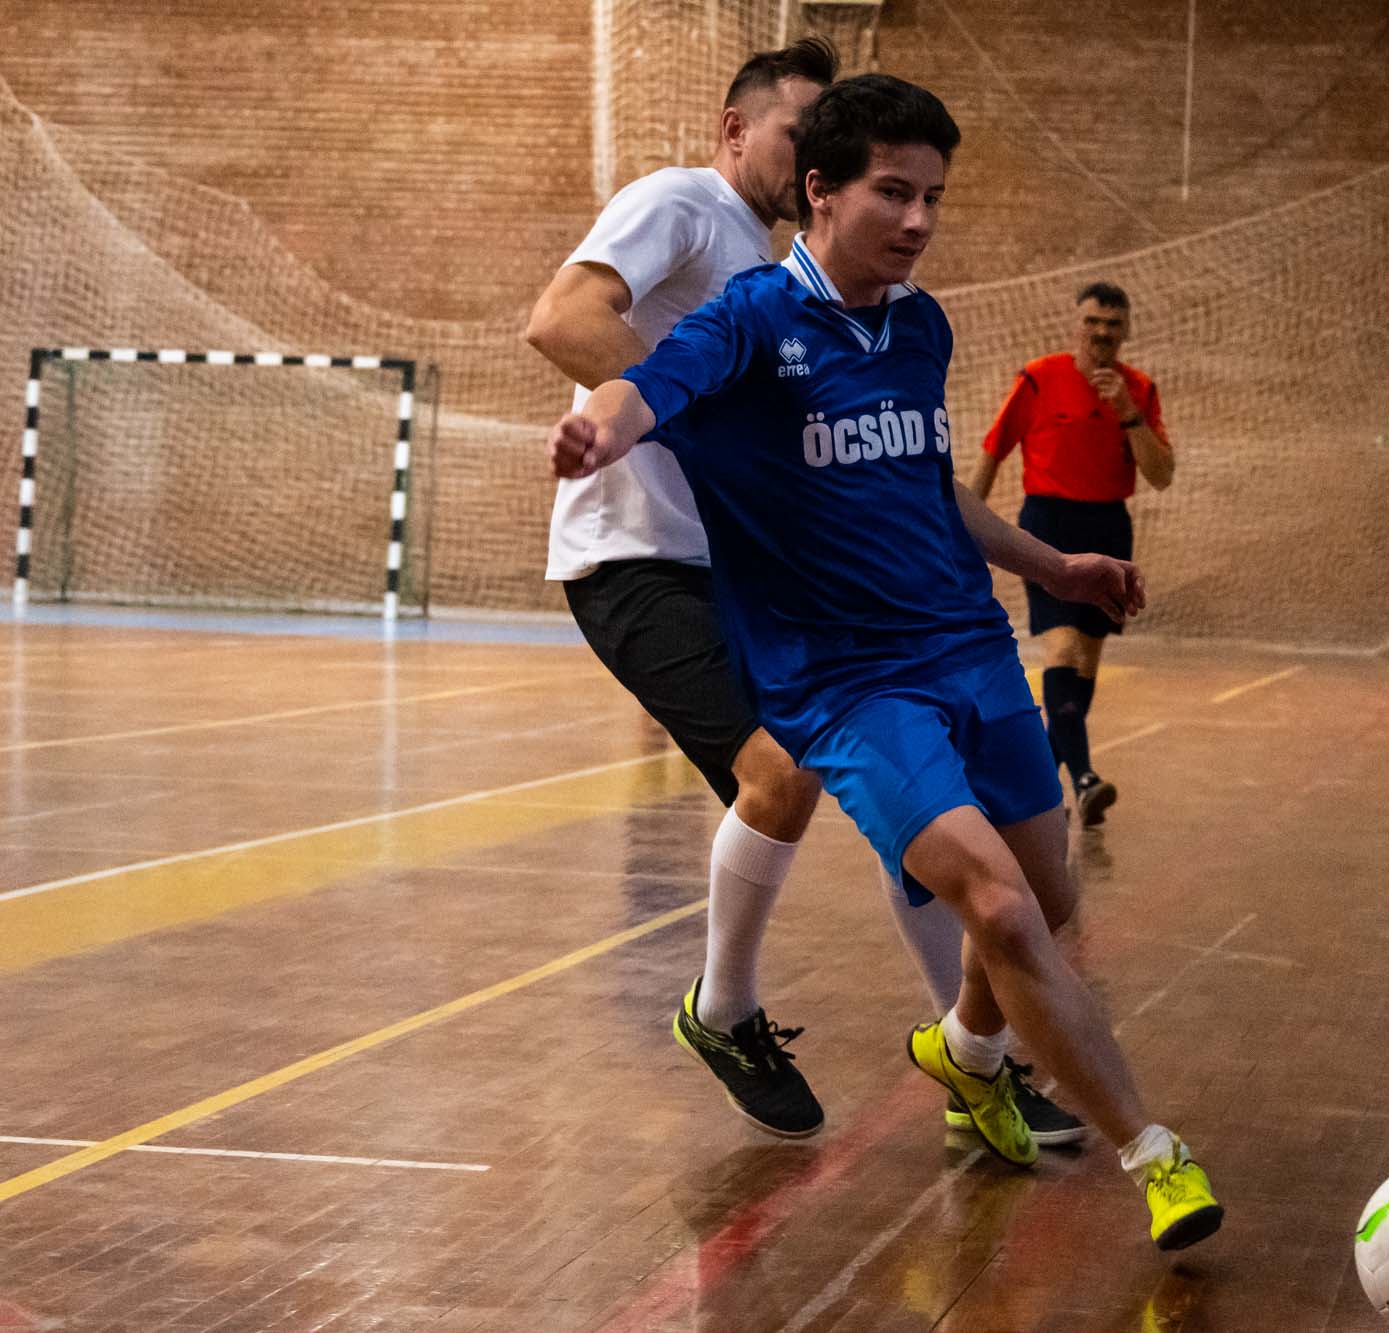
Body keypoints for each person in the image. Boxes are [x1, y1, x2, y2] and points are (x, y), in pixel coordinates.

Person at [545, 73, 1225, 1250]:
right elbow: (647, 387)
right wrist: (598, 430)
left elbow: (925, 487)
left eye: (933, 199)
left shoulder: (921, 326)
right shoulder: (749, 322)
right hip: (844, 683)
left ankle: (964, 1052)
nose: (917, 221)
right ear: (820, 189)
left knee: (1047, 903)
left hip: (966, 643)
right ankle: (1152, 1151)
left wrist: (1055, 566)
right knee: (998, 906)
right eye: (892, 193)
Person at [523, 38, 1081, 1149]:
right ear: (737, 131)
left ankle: (976, 1060)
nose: (813, 149)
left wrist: (1050, 566)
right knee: (783, 766)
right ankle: (724, 1008)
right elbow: (562, 317)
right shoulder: (683, 202)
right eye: (797, 131)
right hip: (642, 557)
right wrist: (697, 423)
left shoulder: (820, 288)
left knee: (913, 798)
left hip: (757, 571)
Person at [968, 282, 1174, 825]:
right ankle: (1084, 779)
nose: (1101, 333)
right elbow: (992, 451)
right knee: (1060, 651)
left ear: (1125, 330)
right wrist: (962, 532)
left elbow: (1161, 475)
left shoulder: (1140, 390)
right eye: (1092, 322)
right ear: (1077, 325)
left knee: (1084, 664)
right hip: (1048, 526)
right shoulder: (1040, 378)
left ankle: (1031, 793)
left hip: (1109, 528)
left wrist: (1128, 412)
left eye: (1112, 324)